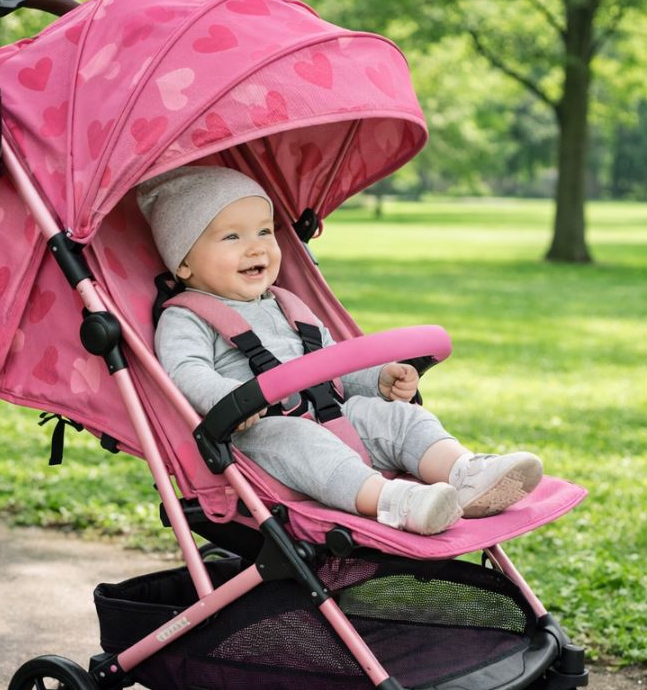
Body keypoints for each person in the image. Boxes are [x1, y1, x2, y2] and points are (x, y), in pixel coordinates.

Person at [140, 165, 542, 536]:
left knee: (399, 417)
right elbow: (184, 371)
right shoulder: (187, 317)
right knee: (300, 439)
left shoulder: (289, 305)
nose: (256, 248)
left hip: (334, 415)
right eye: (232, 237)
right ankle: (395, 502)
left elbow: (331, 363)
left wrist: (378, 380)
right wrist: (227, 398)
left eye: (264, 231)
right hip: (262, 434)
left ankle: (465, 472)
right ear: (184, 263)